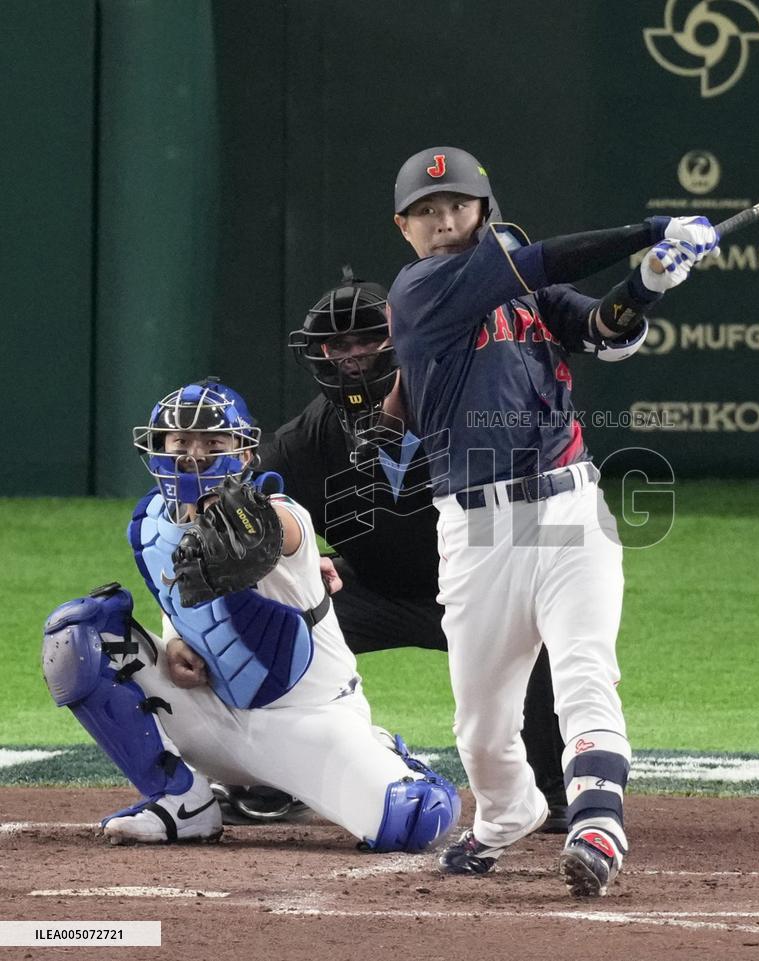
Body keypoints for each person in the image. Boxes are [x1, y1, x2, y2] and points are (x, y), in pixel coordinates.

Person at [387, 146, 719, 896]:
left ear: (484, 209)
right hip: (475, 531)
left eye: (459, 206)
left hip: (569, 506)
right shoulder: (421, 291)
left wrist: (653, 280)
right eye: (427, 212)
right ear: (404, 229)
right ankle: (507, 812)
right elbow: (537, 262)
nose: (444, 221)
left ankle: (598, 823)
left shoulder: (528, 292)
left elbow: (605, 326)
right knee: (480, 728)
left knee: (583, 668)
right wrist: (649, 229)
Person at [41, 380, 459, 851]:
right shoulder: (152, 523)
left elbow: (269, 530)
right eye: (181, 443)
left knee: (415, 819)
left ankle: (379, 752)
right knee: (76, 634)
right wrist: (176, 643)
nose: (194, 456)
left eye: (213, 443)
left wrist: (238, 520)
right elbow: (178, 603)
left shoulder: (278, 513)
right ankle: (183, 802)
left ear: (243, 455)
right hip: (212, 719)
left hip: (308, 724)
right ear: (159, 448)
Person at [248, 271, 569, 832]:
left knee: (539, 642)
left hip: (480, 587)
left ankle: (557, 793)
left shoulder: (468, 405)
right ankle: (273, 776)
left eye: (367, 340)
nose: (352, 357)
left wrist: (562, 608)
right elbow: (251, 514)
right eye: (338, 346)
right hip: (373, 589)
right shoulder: (308, 439)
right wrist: (296, 562)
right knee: (271, 628)